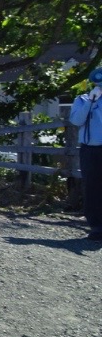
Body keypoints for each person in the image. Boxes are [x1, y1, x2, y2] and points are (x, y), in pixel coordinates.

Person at [69, 74, 102, 240]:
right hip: (90, 149)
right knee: (92, 187)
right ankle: (96, 226)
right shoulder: (82, 100)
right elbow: (76, 120)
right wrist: (90, 101)